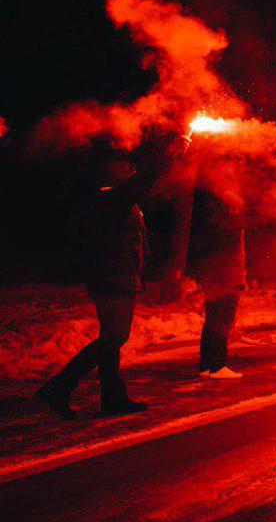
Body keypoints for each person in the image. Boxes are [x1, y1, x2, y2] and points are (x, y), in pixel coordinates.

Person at [37, 135, 188, 419]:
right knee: (115, 338)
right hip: (112, 278)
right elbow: (143, 181)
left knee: (111, 338)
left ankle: (112, 398)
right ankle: (59, 387)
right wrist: (170, 155)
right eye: (125, 167)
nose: (131, 169)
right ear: (113, 173)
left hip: (117, 277)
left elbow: (144, 188)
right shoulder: (110, 199)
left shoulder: (118, 201)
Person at [188, 188, 247, 379]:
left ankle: (206, 365)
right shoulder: (230, 226)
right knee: (222, 323)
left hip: (214, 281)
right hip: (226, 281)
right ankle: (218, 365)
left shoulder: (211, 225)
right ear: (230, 208)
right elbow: (231, 257)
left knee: (212, 322)